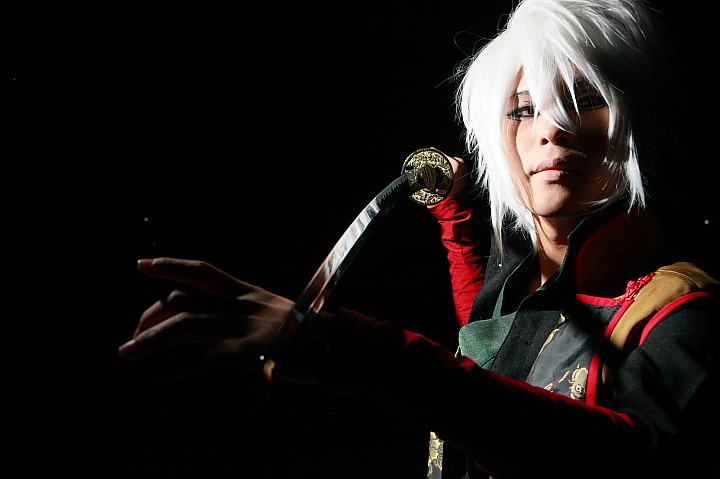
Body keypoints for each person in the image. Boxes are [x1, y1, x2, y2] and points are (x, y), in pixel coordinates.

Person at [119, 0, 719, 477]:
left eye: (585, 100)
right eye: (523, 110)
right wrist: (454, 215)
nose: (551, 129)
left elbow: (625, 459)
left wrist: (358, 351)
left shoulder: (685, 310)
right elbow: (482, 338)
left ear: (640, 120)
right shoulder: (517, 287)